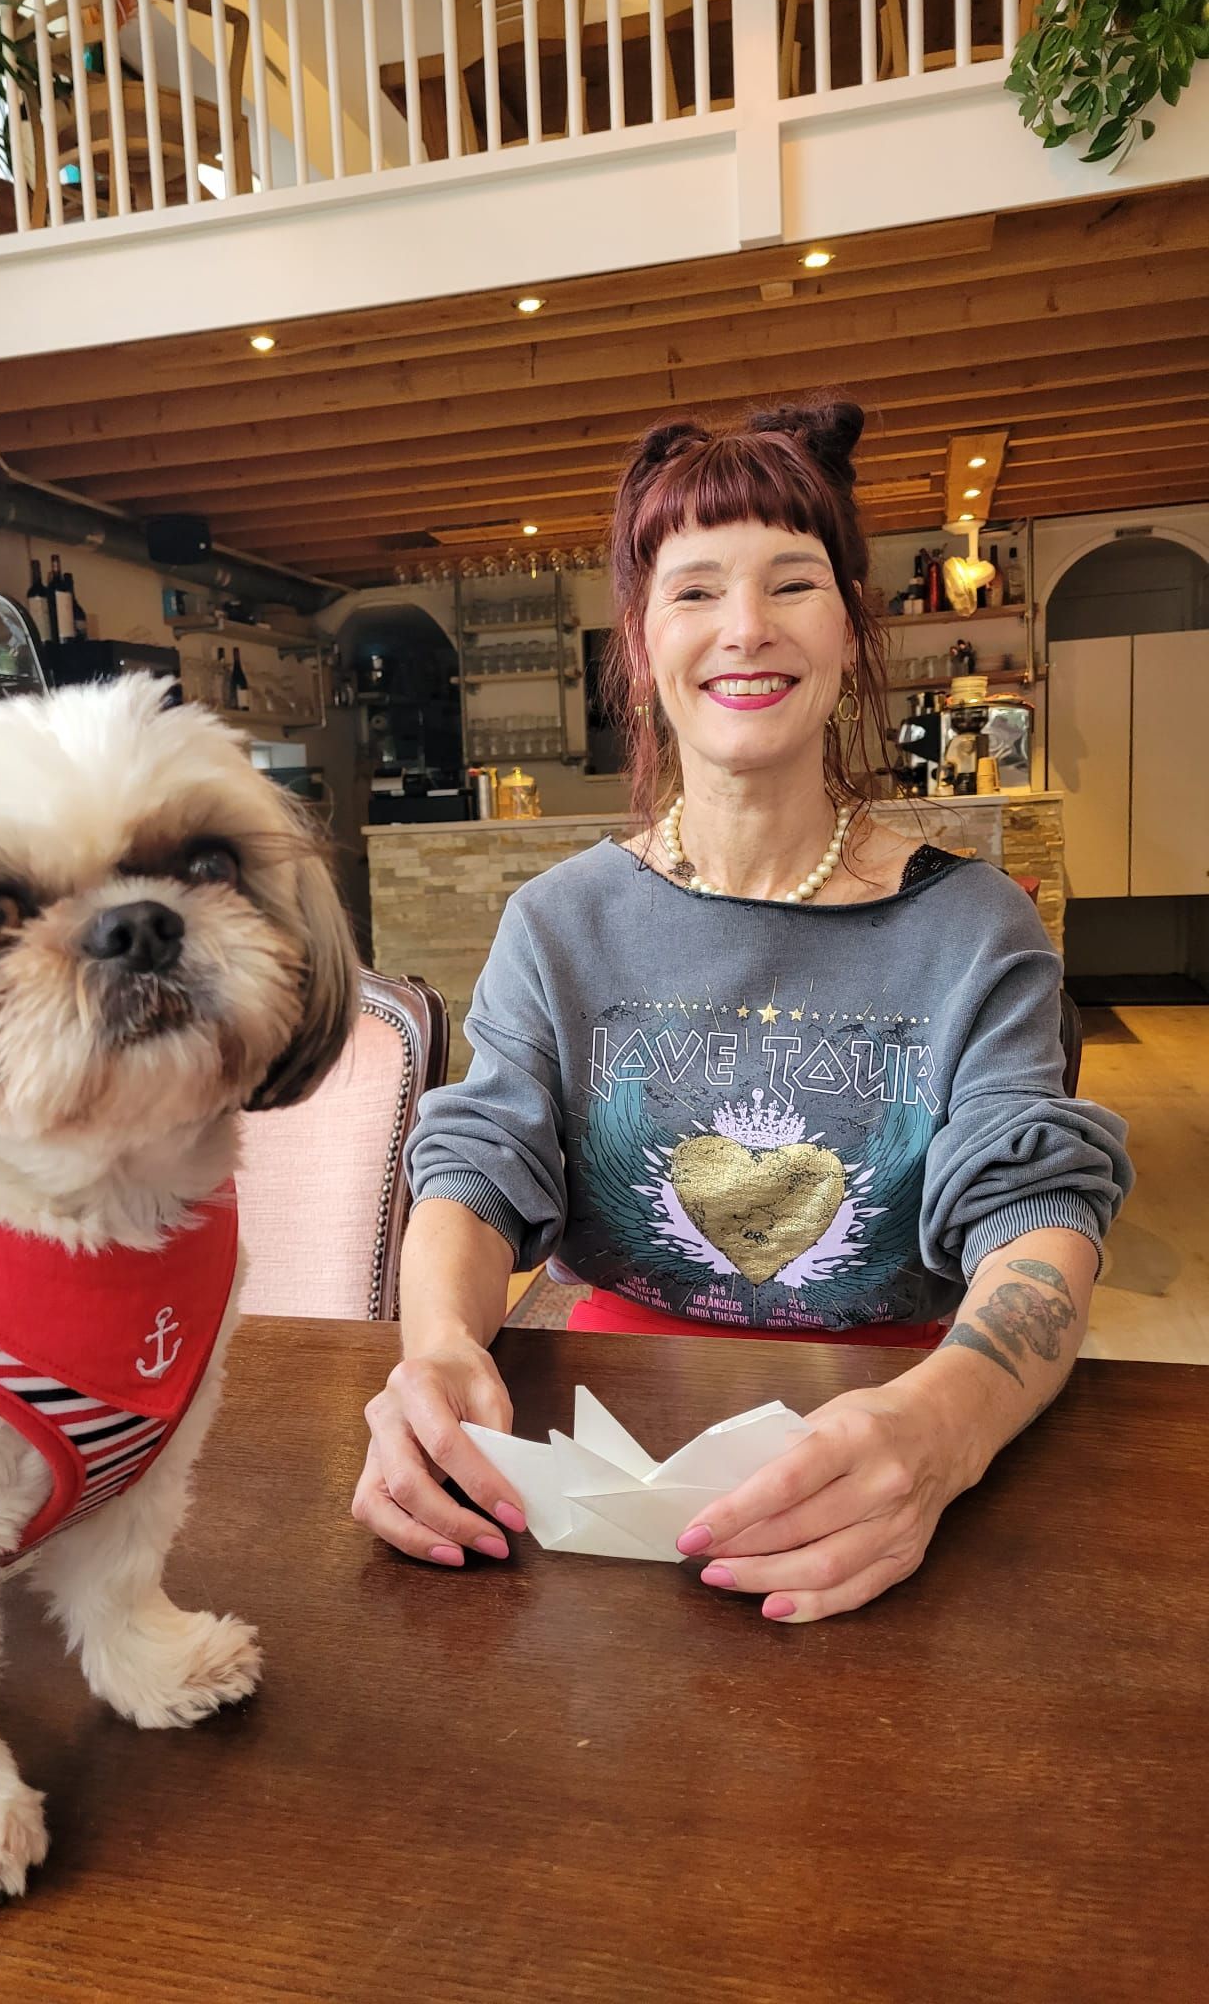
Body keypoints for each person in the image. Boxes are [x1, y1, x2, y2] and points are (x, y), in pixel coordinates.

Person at [350, 400, 1133, 1624]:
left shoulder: (975, 930)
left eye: (793, 582)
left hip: (899, 1437)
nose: (747, 627)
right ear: (642, 641)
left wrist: (947, 1429)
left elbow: (1032, 1209)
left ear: (850, 628)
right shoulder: (558, 923)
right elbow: (479, 1166)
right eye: (697, 590)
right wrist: (440, 1348)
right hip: (599, 1441)